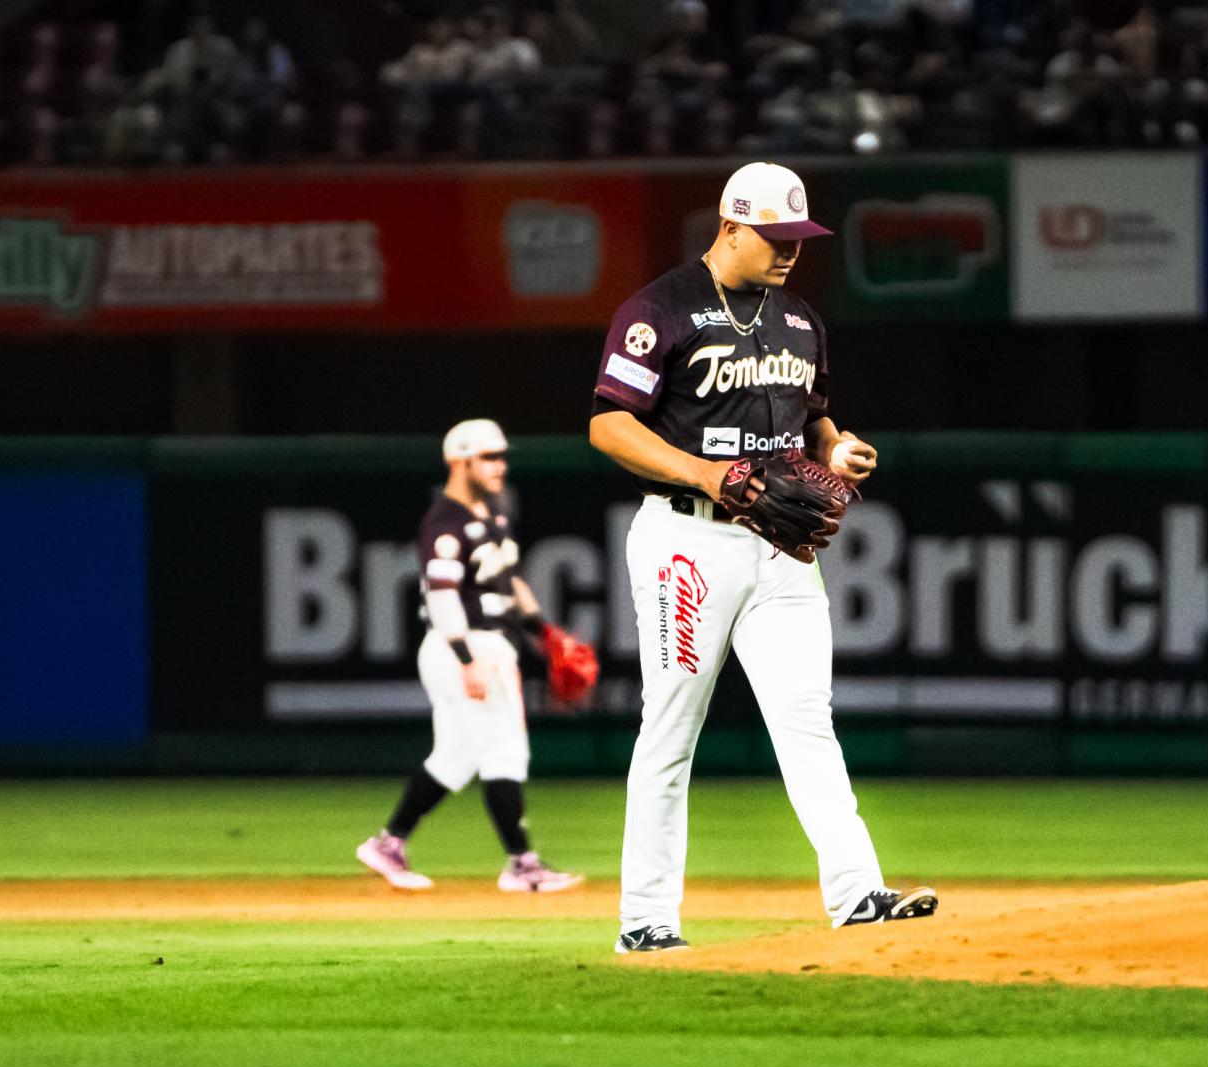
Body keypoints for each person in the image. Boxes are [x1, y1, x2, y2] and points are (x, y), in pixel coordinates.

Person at [587, 161, 938, 954]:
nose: (788, 252)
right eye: (775, 238)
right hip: (687, 538)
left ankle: (857, 894)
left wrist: (837, 448)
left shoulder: (801, 321)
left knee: (808, 718)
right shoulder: (659, 311)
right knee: (672, 729)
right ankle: (645, 920)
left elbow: (815, 420)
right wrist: (704, 470)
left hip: (778, 544)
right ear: (730, 225)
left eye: (798, 238)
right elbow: (609, 424)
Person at [357, 419, 586, 895]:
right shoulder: (445, 522)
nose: (500, 465)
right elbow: (440, 596)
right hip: (465, 644)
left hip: (478, 642)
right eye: (489, 457)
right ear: (459, 461)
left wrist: (542, 630)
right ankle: (522, 865)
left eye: (502, 455)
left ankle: (388, 843)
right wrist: (466, 658)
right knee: (505, 749)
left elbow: (509, 579)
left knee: (455, 758)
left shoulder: (490, 514)